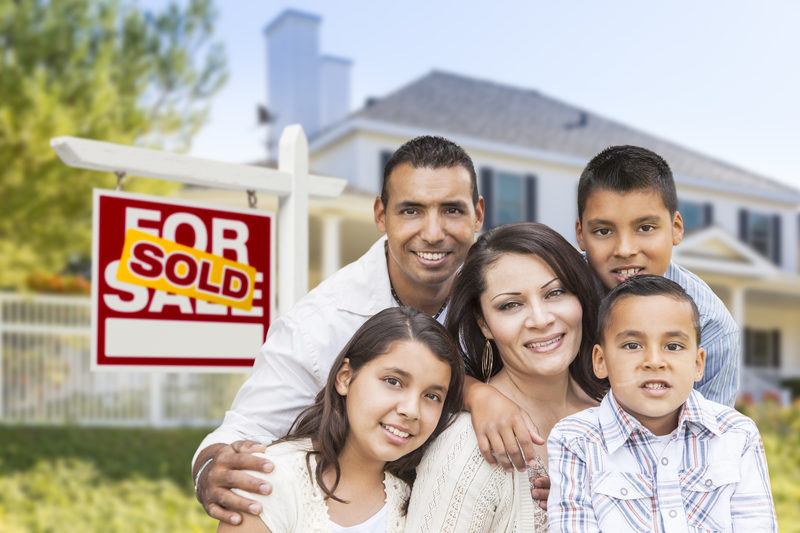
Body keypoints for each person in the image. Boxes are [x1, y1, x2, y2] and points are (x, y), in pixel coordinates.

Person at [194, 135, 546, 526]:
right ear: (381, 214)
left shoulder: (499, 289)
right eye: (411, 211)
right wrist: (213, 468)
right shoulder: (319, 324)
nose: (432, 232)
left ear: (478, 215)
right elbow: (247, 429)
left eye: (452, 210)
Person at [405, 222, 609, 532]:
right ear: (484, 324)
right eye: (511, 305)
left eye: (555, 293)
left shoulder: (620, 416)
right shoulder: (469, 445)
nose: (541, 320)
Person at [547, 275, 777, 531]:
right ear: (600, 361)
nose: (654, 361)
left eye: (673, 346)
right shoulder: (576, 440)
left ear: (698, 363)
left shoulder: (736, 434)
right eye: (632, 345)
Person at [216, 307, 465, 533]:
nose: (411, 410)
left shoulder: (420, 495)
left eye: (432, 396)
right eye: (393, 381)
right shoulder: (270, 478)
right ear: (345, 377)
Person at [575, 145, 740, 407]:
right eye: (604, 231)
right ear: (581, 234)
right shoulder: (556, 293)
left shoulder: (713, 327)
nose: (625, 250)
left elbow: (709, 437)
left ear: (675, 229)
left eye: (646, 227)